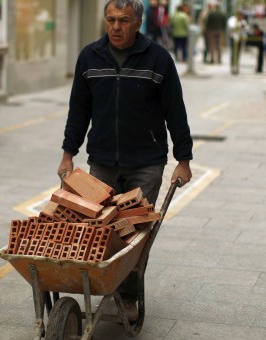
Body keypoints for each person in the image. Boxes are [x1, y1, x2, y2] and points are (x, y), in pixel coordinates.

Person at [57, 0, 193, 323]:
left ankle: (129, 296)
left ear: (138, 23)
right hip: (102, 161)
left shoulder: (159, 60)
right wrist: (67, 154)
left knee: (133, 235)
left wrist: (183, 159)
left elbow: (176, 110)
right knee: (101, 229)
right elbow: (79, 110)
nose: (116, 26)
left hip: (146, 162)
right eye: (111, 19)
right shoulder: (90, 57)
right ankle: (106, 286)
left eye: (124, 20)